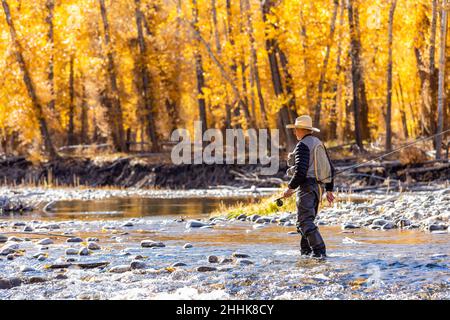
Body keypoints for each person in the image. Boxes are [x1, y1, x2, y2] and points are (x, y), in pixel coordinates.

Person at [282, 115, 335, 259]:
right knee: (306, 222)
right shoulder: (318, 143)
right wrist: (329, 189)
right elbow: (330, 168)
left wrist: (290, 188)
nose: (294, 133)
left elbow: (300, 171)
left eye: (296, 130)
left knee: (304, 222)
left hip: (307, 188)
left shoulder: (303, 145)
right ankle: (306, 254)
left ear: (301, 129)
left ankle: (320, 252)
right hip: (318, 189)